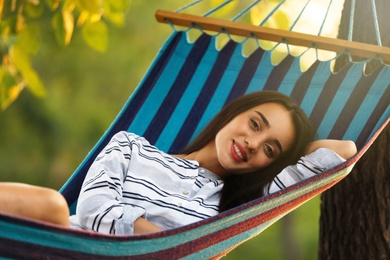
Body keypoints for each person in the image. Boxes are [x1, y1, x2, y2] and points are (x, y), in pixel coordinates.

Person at [69, 91, 357, 235]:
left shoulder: (241, 208)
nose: (253, 144)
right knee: (52, 207)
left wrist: (293, 152)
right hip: (63, 245)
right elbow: (93, 213)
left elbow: (345, 150)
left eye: (270, 150)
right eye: (255, 124)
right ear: (233, 113)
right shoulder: (131, 147)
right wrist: (180, 247)